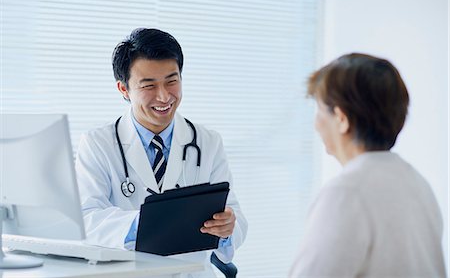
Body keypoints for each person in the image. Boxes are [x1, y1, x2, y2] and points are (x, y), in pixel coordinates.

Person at [75, 28, 247, 277]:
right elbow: (87, 219)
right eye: (149, 85)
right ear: (124, 89)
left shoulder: (207, 142)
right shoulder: (98, 143)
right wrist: (146, 223)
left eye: (171, 81)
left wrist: (228, 227)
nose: (164, 96)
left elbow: (234, 215)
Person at [289, 53, 446, 277]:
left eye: (320, 110)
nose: (316, 124)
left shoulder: (345, 193)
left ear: (341, 119)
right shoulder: (417, 183)